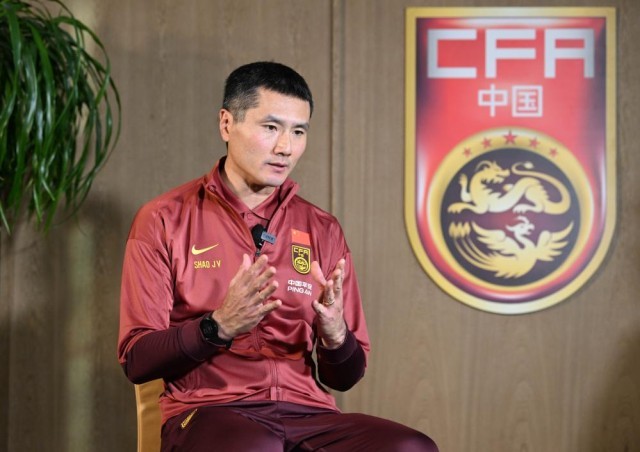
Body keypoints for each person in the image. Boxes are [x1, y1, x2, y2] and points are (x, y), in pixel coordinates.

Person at [118, 61, 438, 451]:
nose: (285, 147)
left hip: (308, 414)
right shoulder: (164, 219)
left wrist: (336, 334)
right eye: (271, 128)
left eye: (298, 131)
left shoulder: (322, 228)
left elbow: (345, 378)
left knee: (411, 447)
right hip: (207, 411)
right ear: (226, 124)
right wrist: (217, 326)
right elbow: (137, 360)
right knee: (257, 445)